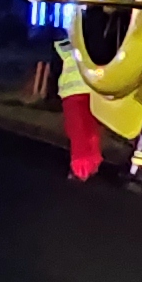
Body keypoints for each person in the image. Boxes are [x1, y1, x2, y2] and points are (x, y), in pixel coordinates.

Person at [57, 34, 102, 180]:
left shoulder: (69, 38)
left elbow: (61, 44)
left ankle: (81, 169)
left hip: (73, 93)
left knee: (78, 131)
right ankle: (92, 164)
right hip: (92, 91)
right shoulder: (96, 40)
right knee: (89, 130)